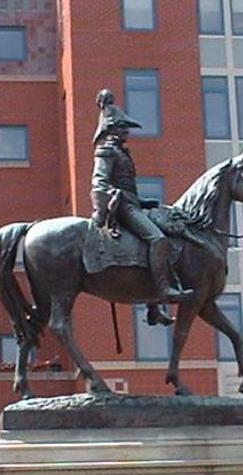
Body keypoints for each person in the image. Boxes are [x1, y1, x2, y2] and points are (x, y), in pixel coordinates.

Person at [90, 89, 193, 325]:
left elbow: (127, 186)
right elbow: (99, 182)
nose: (126, 131)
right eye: (122, 126)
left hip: (132, 204)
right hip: (122, 207)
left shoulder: (121, 152)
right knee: (158, 240)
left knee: (167, 233)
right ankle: (164, 291)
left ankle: (153, 308)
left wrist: (143, 202)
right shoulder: (107, 151)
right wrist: (111, 198)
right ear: (112, 128)